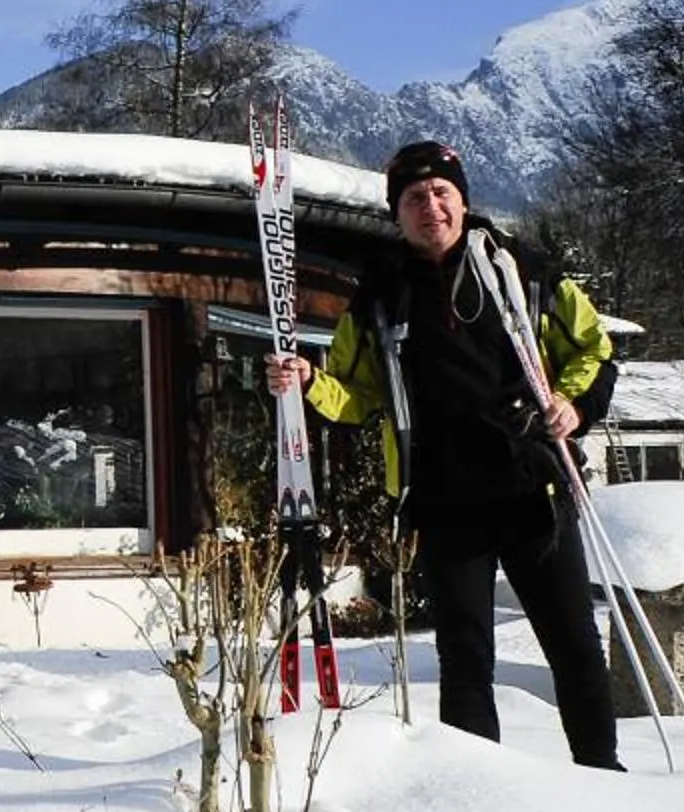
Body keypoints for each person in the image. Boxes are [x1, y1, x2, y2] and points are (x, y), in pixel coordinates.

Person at [264, 139, 624, 770]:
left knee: (573, 645)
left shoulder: (523, 272)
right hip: (443, 497)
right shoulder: (380, 295)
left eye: (441, 193)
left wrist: (573, 405)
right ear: (396, 213)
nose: (430, 206)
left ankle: (602, 773)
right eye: (414, 198)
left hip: (532, 485)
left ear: (462, 201)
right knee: (464, 656)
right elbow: (356, 396)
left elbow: (594, 350)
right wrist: (306, 381)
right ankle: (476, 789)